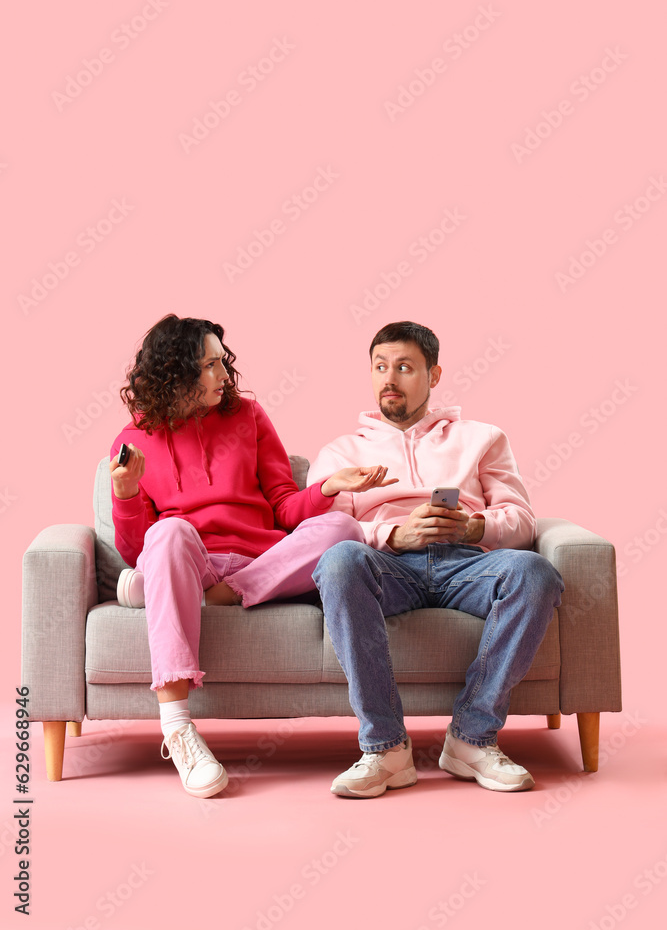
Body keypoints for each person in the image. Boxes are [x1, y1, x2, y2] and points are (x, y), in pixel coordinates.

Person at [110, 314, 395, 799]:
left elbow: (285, 507)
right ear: (177, 373)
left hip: (259, 562)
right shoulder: (132, 441)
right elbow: (139, 547)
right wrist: (124, 493)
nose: (225, 375)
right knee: (169, 533)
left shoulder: (249, 416)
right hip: (188, 556)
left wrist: (328, 487)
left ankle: (206, 594)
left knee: (344, 528)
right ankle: (178, 728)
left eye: (224, 362)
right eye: (210, 365)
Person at [308, 320, 564, 797]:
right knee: (340, 560)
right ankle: (385, 750)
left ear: (434, 374)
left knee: (535, 571)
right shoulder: (342, 452)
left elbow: (523, 519)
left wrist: (476, 526)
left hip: (469, 562)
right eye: (380, 367)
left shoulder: (482, 438)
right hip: (387, 566)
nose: (390, 378)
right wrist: (393, 534)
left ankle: (471, 738)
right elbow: (323, 533)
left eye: (404, 367)